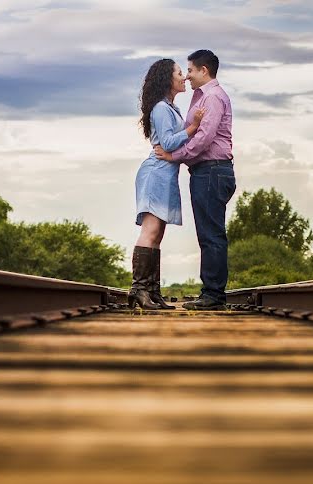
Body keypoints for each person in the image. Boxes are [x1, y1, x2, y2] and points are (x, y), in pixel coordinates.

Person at [155, 49, 235, 310]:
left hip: (212, 170)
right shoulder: (201, 97)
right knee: (208, 233)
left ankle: (213, 295)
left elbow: (204, 138)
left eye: (190, 70)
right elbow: (193, 133)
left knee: (211, 234)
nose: (187, 76)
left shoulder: (211, 97)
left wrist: (174, 156)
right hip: (206, 171)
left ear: (204, 70)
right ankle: (211, 292)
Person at [130, 58, 206, 310]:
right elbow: (168, 142)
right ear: (167, 78)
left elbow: (171, 142)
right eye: (179, 72)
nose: (183, 76)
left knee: (157, 234)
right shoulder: (162, 109)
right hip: (156, 174)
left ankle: (152, 292)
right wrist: (193, 128)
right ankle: (139, 289)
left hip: (165, 175)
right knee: (150, 231)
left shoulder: (169, 108)